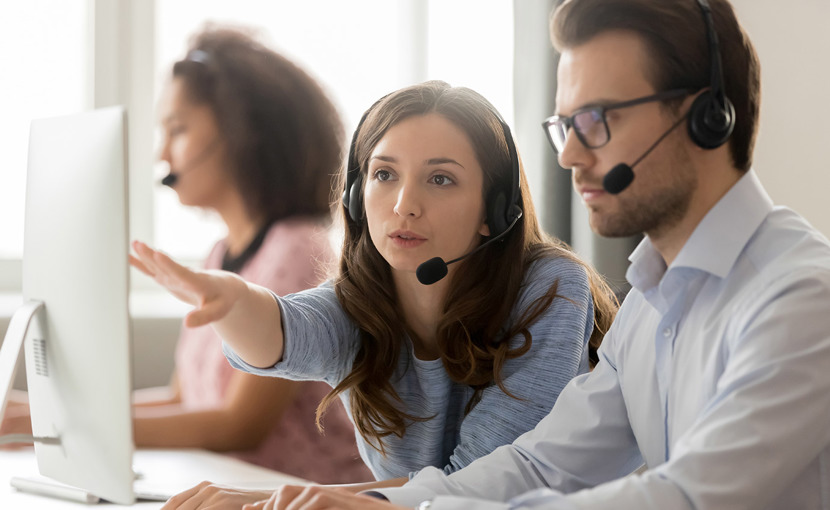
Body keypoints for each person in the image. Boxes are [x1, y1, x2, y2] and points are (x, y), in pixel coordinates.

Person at [244, 0, 830, 508]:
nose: (570, 154)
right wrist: (363, 506)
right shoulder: (653, 304)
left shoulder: (801, 297)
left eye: (598, 119)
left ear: (706, 118)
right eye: (567, 124)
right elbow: (537, 467)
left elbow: (688, 498)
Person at [130, 79, 619, 509]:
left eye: (441, 179)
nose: (405, 205)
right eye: (384, 175)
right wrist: (235, 303)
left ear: (494, 209)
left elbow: (481, 485)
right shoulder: (361, 300)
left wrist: (269, 500)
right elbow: (285, 331)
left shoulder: (550, 289)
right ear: (356, 195)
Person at [0, 26, 373, 485]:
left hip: (296, 494)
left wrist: (63, 426)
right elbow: (186, 400)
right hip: (230, 486)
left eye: (177, 129)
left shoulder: (299, 250)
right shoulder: (219, 255)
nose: (162, 153)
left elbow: (239, 424)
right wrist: (47, 414)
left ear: (242, 132)